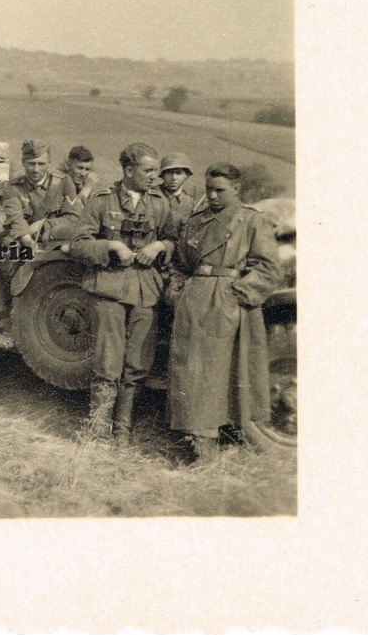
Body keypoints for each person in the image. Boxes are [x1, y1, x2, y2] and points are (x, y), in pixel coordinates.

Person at [165, 163, 282, 461]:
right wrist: (177, 292)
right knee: (190, 371)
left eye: (221, 190)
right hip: (193, 302)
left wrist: (236, 295)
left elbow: (268, 269)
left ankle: (213, 438)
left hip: (228, 304)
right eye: (209, 190)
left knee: (220, 374)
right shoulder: (195, 221)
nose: (214, 196)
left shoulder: (252, 221)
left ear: (237, 189)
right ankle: (194, 438)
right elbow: (179, 263)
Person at [69, 143, 176, 443]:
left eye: (155, 170)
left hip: (146, 291)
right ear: (128, 171)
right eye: (148, 170)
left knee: (138, 363)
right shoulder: (102, 200)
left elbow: (173, 240)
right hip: (111, 289)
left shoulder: (159, 203)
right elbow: (78, 244)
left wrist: (159, 247)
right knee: (108, 362)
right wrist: (110, 247)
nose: (155, 177)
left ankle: (123, 427)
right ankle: (97, 425)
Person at [3, 140, 82, 249]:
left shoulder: (64, 182)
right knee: (11, 246)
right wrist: (28, 241)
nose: (36, 169)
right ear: (23, 162)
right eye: (31, 163)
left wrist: (43, 224)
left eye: (41, 164)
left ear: (49, 162)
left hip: (54, 235)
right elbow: (15, 218)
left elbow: (73, 218)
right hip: (23, 235)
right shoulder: (13, 186)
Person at [158, 152, 201, 230]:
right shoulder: (151, 196)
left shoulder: (190, 203)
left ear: (186, 175)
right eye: (169, 173)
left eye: (178, 173)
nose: (174, 177)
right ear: (162, 175)